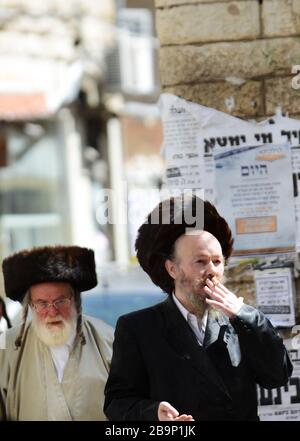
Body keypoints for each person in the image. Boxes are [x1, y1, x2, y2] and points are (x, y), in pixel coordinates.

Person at [104, 195, 293, 421]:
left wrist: (245, 316)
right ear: (172, 269)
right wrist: (154, 414)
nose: (212, 270)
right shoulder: (138, 328)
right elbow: (117, 404)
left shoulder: (241, 320)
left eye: (217, 261)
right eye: (200, 262)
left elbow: (277, 376)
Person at [0, 245, 113, 421]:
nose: (52, 312)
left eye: (60, 301)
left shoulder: (108, 339)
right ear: (31, 305)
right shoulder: (6, 346)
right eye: (42, 303)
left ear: (75, 300)